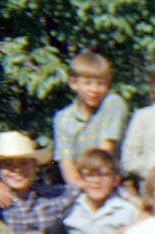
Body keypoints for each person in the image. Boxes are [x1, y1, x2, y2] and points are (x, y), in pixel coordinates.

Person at [53, 50, 129, 187]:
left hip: (111, 180)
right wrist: (80, 185)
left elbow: (106, 152)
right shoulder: (63, 118)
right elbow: (66, 161)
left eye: (100, 84)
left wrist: (96, 184)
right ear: (73, 83)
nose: (94, 90)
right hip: (82, 183)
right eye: (87, 83)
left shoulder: (113, 104)